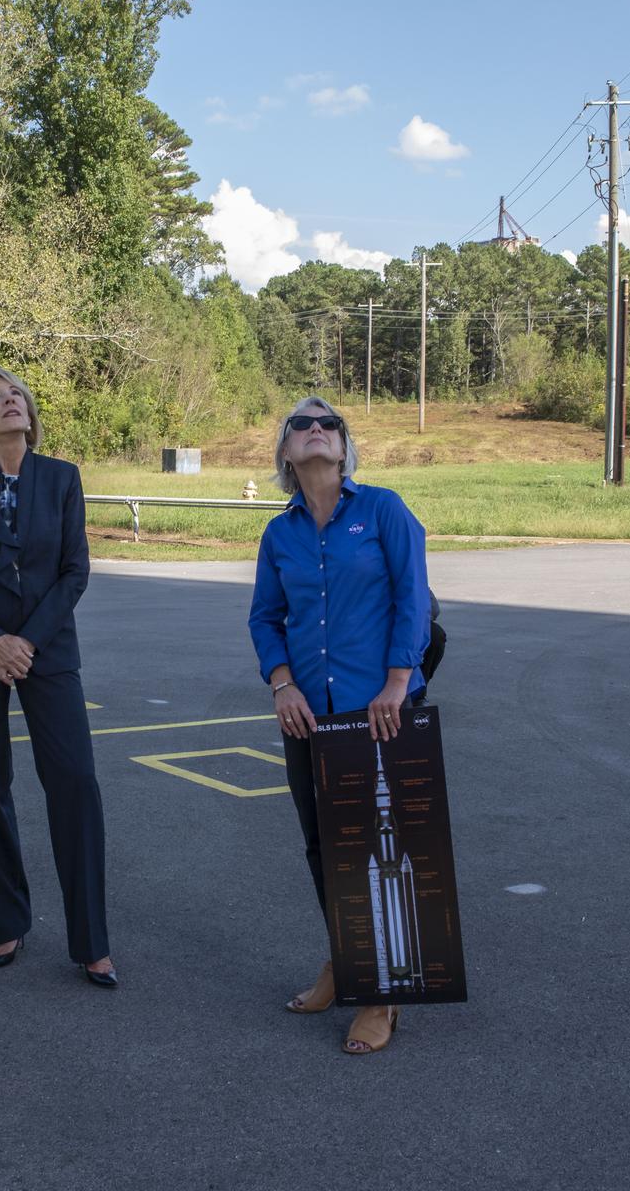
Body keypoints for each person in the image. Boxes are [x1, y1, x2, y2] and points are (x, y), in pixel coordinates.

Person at [247, 396, 430, 1056]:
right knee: (324, 847)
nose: (317, 430)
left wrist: (398, 681)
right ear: (286, 451)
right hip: (307, 715)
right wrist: (282, 683)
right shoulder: (280, 535)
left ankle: (381, 994)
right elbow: (265, 618)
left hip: (379, 708)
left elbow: (413, 597)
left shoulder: (383, 510)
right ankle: (343, 959)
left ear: (345, 447)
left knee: (382, 852)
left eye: (330, 424)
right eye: (302, 424)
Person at [0, 367, 116, 987]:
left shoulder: (62, 477)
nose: (10, 401)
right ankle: (4, 923)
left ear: (30, 415)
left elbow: (74, 571)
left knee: (75, 782)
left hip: (47, 647)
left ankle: (91, 941)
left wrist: (26, 643)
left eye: (17, 395)